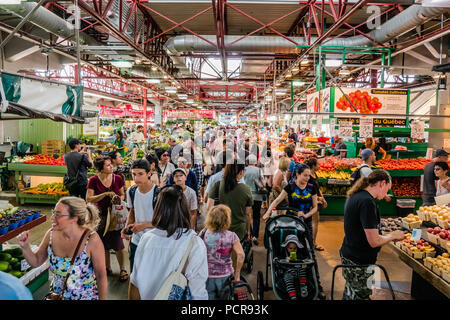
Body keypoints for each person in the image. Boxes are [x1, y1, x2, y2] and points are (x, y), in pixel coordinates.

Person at [16, 197, 107, 300]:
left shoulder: (92, 239)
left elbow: (101, 276)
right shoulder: (50, 235)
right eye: (53, 212)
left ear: (74, 218)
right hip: (58, 297)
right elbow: (36, 261)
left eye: (58, 214)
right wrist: (25, 247)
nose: (52, 217)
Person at [129, 185, 208, 300]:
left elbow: (135, 282)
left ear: (158, 209)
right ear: (184, 209)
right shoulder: (195, 243)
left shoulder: (146, 238)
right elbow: (198, 292)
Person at [263, 164, 326, 300]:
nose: (308, 178)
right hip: (291, 223)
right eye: (305, 175)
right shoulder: (290, 187)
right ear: (297, 174)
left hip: (305, 223)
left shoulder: (311, 187)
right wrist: (268, 212)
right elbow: (278, 200)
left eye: (309, 175)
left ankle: (316, 285)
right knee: (289, 248)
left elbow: (315, 207)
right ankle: (287, 277)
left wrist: (306, 215)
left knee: (310, 254)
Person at [340, 170, 405, 300]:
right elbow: (374, 241)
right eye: (387, 189)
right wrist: (393, 235)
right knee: (362, 296)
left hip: (350, 255)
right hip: (360, 262)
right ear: (382, 183)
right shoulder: (367, 202)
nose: (387, 193)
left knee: (350, 293)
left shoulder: (357, 195)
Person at [86, 156, 128, 282]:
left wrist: (117, 198)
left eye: (111, 164)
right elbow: (89, 198)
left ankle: (122, 269)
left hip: (115, 217)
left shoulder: (118, 178)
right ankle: (107, 267)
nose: (111, 167)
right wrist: (104, 194)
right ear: (100, 168)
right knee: (103, 244)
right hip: (100, 217)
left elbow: (122, 194)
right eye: (108, 165)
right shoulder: (93, 180)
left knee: (118, 244)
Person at [121, 160, 159, 272]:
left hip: (154, 242)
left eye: (140, 174)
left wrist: (143, 225)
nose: (136, 178)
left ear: (149, 173)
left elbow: (164, 221)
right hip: (136, 241)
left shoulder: (159, 193)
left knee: (151, 274)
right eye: (134, 174)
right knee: (134, 273)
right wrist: (127, 227)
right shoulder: (131, 191)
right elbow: (132, 211)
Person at [201, 205, 245, 300]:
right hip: (225, 276)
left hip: (207, 275)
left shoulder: (203, 233)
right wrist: (237, 276)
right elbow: (241, 255)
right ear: (226, 220)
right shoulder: (232, 236)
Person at [207, 161, 253, 243]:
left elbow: (209, 208)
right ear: (241, 172)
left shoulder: (217, 185)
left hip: (219, 229)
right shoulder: (246, 189)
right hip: (238, 231)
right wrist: (248, 231)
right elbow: (248, 214)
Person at [243, 154, 265, 245]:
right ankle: (255, 235)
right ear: (255, 162)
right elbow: (263, 184)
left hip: (246, 195)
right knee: (256, 216)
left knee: (247, 215)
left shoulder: (244, 170)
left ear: (247, 162)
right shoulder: (259, 170)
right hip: (257, 197)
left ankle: (249, 233)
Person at [279, 234, 309, 300]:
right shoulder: (284, 254)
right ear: (287, 248)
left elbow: (303, 260)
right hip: (288, 272)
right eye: (290, 248)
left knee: (303, 270)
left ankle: (303, 285)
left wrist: (298, 260)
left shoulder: (299, 254)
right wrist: (287, 260)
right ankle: (293, 295)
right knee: (287, 279)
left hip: (298, 270)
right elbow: (280, 262)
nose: (293, 250)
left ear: (297, 248)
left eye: (295, 248)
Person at [306, 157, 327, 251]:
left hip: (317, 200)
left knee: (314, 222)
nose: (319, 166)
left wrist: (323, 198)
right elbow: (307, 191)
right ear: (313, 166)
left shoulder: (314, 174)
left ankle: (311, 242)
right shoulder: (308, 176)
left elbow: (317, 189)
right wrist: (318, 198)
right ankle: (313, 243)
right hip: (311, 201)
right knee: (314, 222)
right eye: (318, 164)